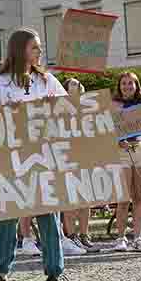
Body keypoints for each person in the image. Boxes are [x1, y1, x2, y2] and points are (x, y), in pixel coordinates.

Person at [0, 27, 67, 281]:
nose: (39, 52)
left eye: (40, 47)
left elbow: (69, 111)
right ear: (20, 50)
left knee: (48, 217)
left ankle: (54, 275)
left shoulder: (48, 82)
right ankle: (1, 275)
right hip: (11, 162)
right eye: (35, 47)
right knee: (7, 219)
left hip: (43, 160)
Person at [109, 72, 141, 252]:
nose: (127, 86)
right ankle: (121, 238)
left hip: (140, 150)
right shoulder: (114, 105)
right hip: (122, 152)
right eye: (124, 83)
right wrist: (117, 141)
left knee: (139, 197)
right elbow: (107, 130)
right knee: (123, 198)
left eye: (130, 84)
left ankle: (137, 238)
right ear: (119, 86)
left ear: (136, 86)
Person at [58, 78, 91, 256]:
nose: (76, 84)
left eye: (78, 83)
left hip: (84, 157)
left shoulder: (87, 108)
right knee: (69, 200)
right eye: (72, 83)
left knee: (85, 199)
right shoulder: (58, 109)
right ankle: (70, 235)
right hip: (66, 158)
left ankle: (84, 234)